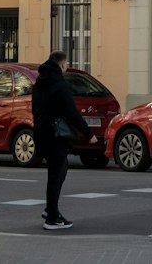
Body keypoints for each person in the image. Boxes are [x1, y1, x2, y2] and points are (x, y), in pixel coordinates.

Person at [31, 49, 93, 232]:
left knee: (59, 170)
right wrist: (89, 134)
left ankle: (51, 209)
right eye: (66, 66)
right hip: (56, 135)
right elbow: (71, 112)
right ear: (62, 65)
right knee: (56, 175)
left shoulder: (39, 83)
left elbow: (36, 109)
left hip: (42, 133)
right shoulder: (59, 85)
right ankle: (52, 217)